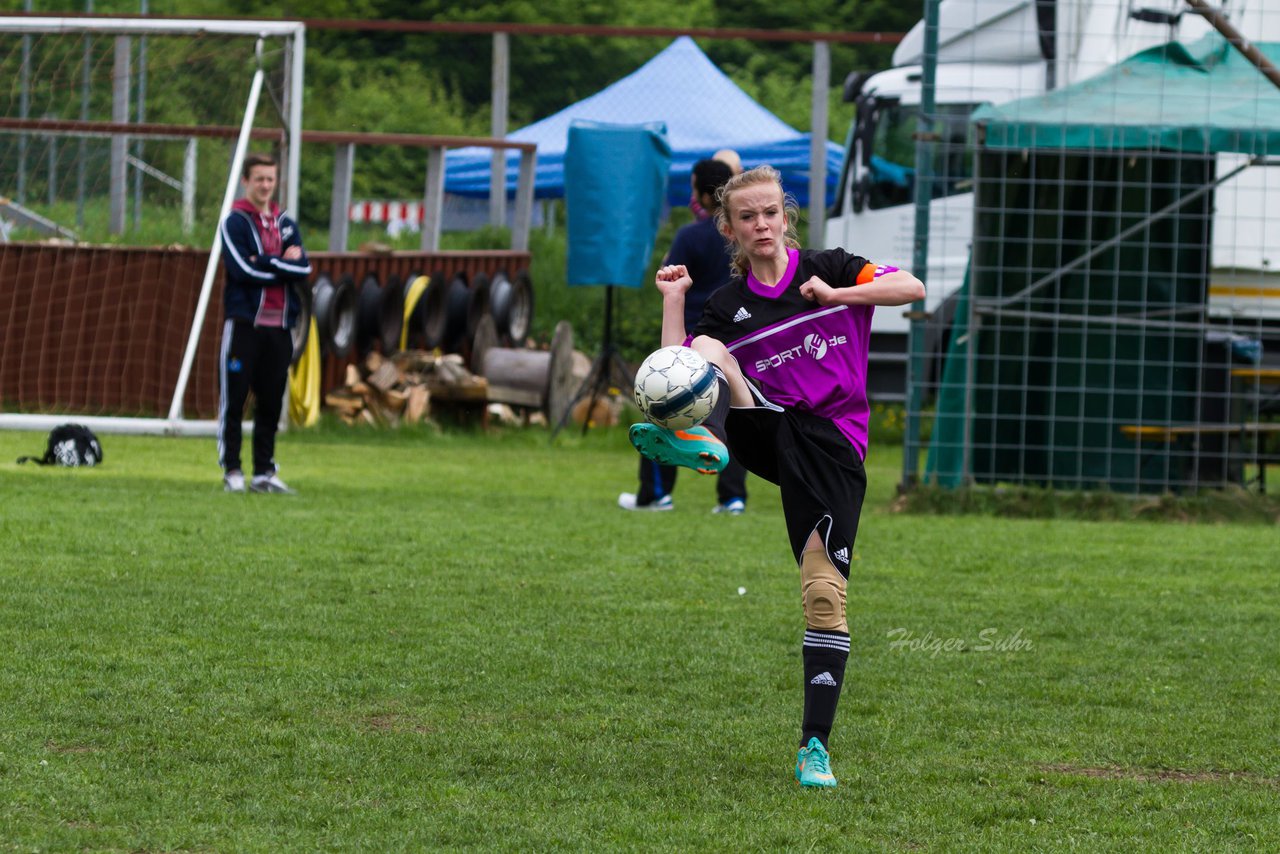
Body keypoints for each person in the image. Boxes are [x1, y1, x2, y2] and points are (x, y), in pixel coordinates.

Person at [629, 165, 925, 787]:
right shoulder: (728, 303)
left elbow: (913, 289)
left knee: (823, 598)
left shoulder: (836, 266)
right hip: (765, 426)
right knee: (709, 351)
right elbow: (676, 362)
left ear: (785, 217)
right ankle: (689, 435)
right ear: (730, 230)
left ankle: (813, 747)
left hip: (833, 446)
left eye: (770, 213)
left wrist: (837, 296)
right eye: (746, 217)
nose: (761, 225)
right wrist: (675, 301)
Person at [618, 157, 749, 514]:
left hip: (689, 339)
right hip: (736, 340)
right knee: (733, 413)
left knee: (661, 406)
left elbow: (669, 278)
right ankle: (732, 497)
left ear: (705, 195)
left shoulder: (690, 236)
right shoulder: (741, 238)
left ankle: (656, 493)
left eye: (694, 188)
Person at [217, 152, 312, 494]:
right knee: (235, 399)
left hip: (281, 329)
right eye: (259, 178)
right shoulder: (235, 222)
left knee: (271, 401)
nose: (265, 185)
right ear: (246, 181)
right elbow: (242, 270)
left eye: (270, 179)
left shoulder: (286, 223)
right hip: (245, 326)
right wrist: (279, 264)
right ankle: (232, 470)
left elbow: (303, 269)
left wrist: (267, 261)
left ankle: (264, 472)